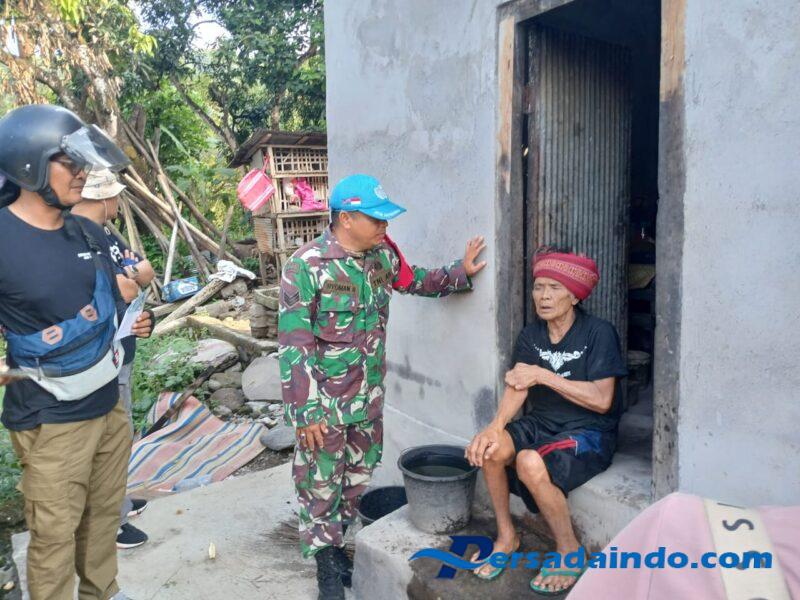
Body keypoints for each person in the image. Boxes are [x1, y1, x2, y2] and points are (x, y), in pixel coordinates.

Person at [279, 174, 487, 600]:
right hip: (324, 406)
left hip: (368, 399)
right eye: (376, 219)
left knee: (356, 479)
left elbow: (415, 281)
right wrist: (305, 412)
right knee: (320, 486)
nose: (384, 226)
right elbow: (294, 345)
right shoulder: (306, 266)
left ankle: (336, 548)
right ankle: (327, 572)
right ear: (347, 218)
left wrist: (459, 273)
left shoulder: (382, 257)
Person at [0, 104, 153, 600]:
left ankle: (102, 592)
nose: (82, 173)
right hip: (51, 420)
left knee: (103, 517)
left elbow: (113, 303)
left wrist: (137, 318)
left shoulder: (85, 230)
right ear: (29, 165)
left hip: (108, 405)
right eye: (70, 162)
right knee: (54, 536)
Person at [466, 247, 627, 595]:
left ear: (574, 296)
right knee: (492, 448)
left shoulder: (598, 333)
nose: (544, 296)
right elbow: (518, 384)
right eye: (539, 287)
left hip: (588, 431)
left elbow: (602, 401)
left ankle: (569, 550)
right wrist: (495, 426)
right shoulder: (532, 335)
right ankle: (507, 537)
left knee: (529, 461)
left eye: (554, 288)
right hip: (542, 422)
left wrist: (545, 375)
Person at [73, 168, 156, 549]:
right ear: (103, 197)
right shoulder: (74, 237)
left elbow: (139, 275)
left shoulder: (104, 235)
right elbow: (120, 284)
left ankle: (118, 503)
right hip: (96, 359)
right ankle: (110, 525)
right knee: (104, 443)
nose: (119, 202)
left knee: (118, 437)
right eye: (116, 195)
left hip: (119, 350)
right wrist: (128, 277)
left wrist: (130, 276)